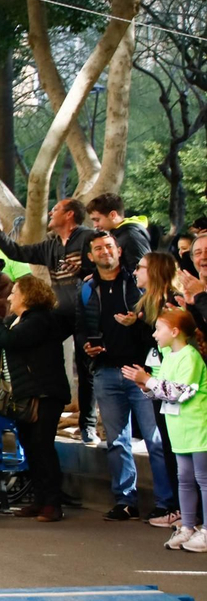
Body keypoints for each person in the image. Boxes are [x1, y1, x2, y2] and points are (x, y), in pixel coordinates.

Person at [79, 232, 177, 523]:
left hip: (141, 373)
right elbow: (80, 324)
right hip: (107, 371)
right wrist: (87, 346)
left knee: (154, 440)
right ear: (91, 256)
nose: (105, 251)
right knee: (117, 442)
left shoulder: (136, 284)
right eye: (98, 248)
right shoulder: (87, 288)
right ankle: (125, 501)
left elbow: (156, 327)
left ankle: (167, 503)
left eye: (109, 246)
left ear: (119, 251)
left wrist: (138, 321)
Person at [0, 198, 99, 441]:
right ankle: (39, 399)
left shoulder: (88, 238)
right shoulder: (50, 245)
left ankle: (88, 424)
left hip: (89, 312)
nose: (50, 212)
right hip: (61, 313)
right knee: (41, 348)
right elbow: (17, 252)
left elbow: (103, 269)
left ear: (70, 215)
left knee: (86, 366)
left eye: (56, 209)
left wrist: (81, 271)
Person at [0, 274, 72, 522]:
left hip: (44, 393)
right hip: (26, 394)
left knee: (42, 446)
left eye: (14, 292)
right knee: (31, 447)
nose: (10, 296)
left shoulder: (40, 319)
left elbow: (10, 340)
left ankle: (52, 503)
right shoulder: (17, 320)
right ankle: (40, 499)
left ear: (27, 296)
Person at [122, 309, 207, 552]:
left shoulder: (190, 356)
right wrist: (145, 384)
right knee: (185, 480)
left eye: (158, 329)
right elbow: (160, 389)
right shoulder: (168, 355)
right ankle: (188, 526)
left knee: (203, 480)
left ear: (175, 331)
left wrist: (148, 381)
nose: (154, 334)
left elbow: (179, 391)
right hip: (178, 428)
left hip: (198, 427)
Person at [135, 252, 185, 520]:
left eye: (141, 268)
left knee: (175, 450)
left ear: (155, 272)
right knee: (167, 446)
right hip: (155, 383)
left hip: (169, 384)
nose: (136, 272)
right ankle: (179, 510)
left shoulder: (171, 305)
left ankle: (183, 512)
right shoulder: (148, 305)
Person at [87, 192, 151, 271]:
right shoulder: (122, 235)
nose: (95, 225)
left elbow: (142, 271)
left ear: (113, 215)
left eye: (97, 220)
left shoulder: (130, 237)